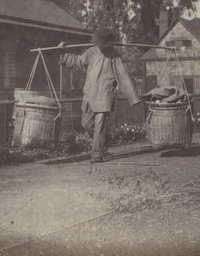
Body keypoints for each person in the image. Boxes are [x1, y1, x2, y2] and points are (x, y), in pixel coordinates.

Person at [59, 27, 140, 163]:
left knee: (100, 125)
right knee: (86, 124)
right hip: (90, 94)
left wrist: (134, 97)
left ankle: (96, 154)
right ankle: (105, 139)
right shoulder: (91, 52)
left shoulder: (114, 57)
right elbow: (77, 61)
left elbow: (123, 77)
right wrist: (62, 52)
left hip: (105, 95)